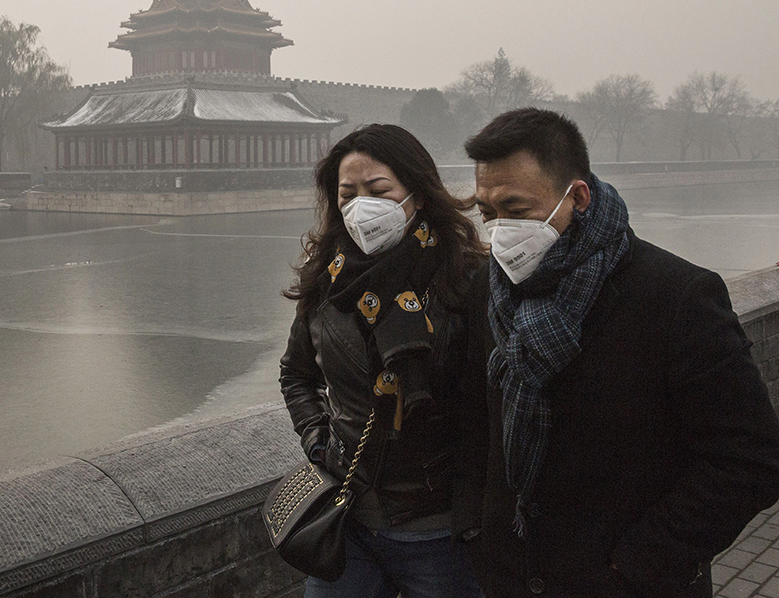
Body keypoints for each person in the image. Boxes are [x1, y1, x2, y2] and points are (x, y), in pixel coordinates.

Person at [459, 107, 779, 597]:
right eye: (488, 213)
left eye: (517, 211)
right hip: (512, 576)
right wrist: (478, 532)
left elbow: (749, 458)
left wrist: (638, 566)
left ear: (579, 197)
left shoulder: (678, 296)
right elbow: (475, 423)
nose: (501, 231)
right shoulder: (488, 289)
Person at [279, 124, 486, 597]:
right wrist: (319, 442)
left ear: (416, 192)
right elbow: (296, 374)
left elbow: (488, 401)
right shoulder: (327, 279)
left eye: (377, 190)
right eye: (346, 194)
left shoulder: (468, 279)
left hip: (438, 531)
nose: (359, 207)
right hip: (347, 517)